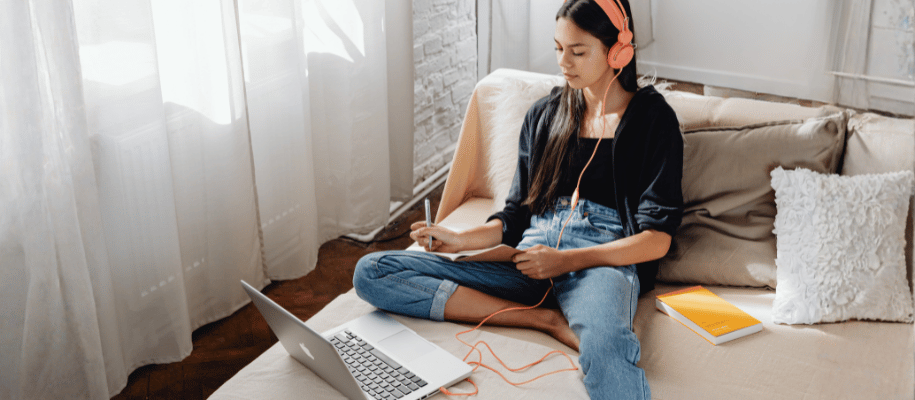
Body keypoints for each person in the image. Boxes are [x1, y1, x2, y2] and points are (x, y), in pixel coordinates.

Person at [353, 0, 682, 398]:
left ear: (618, 51)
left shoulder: (654, 120)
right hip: (529, 259)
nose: (563, 62)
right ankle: (543, 319)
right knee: (372, 271)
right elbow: (515, 217)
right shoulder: (544, 115)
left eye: (578, 52)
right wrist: (460, 239)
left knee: (605, 348)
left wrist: (565, 261)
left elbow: (657, 239)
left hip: (599, 263)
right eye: (558, 48)